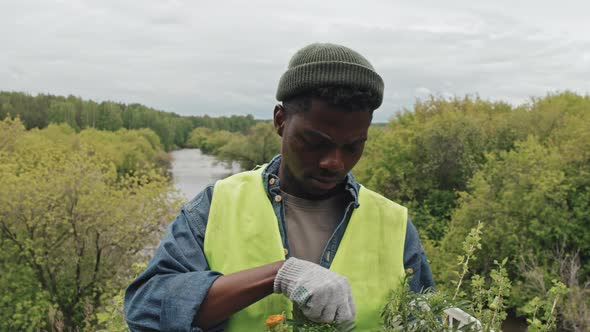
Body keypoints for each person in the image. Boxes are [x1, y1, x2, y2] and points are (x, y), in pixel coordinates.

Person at [124, 42, 434, 332]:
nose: (334, 162)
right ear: (280, 120)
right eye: (316, 142)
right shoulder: (216, 205)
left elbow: (425, 320)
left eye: (353, 146)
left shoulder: (394, 224)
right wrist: (279, 274)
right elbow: (147, 309)